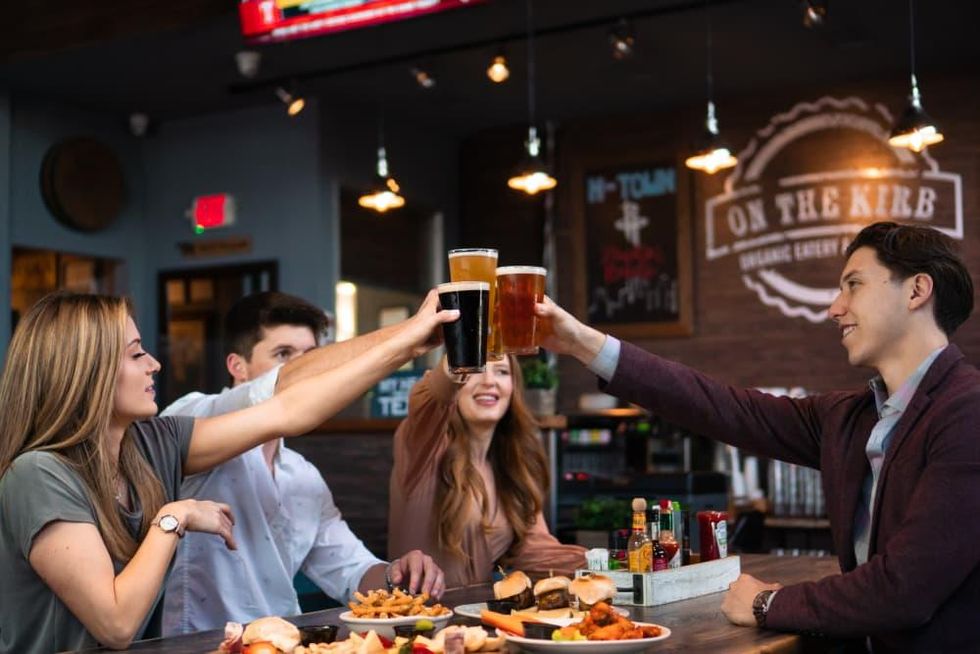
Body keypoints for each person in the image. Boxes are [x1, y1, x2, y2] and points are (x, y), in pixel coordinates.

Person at [534, 221, 980, 652]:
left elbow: (904, 590)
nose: (835, 307)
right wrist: (580, 343)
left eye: (854, 285)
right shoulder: (852, 417)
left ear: (917, 291)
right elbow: (723, 408)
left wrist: (768, 603)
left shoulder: (967, 412)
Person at [0, 291, 455, 653]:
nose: (154, 364)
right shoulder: (39, 473)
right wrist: (174, 517)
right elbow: (116, 624)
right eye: (137, 354)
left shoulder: (150, 445)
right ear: (88, 371)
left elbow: (290, 411)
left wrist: (412, 344)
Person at [162, 291, 445, 635]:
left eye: (313, 357)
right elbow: (286, 387)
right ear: (238, 366)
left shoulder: (302, 474)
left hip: (286, 642)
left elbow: (352, 571)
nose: (309, 371)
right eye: (283, 354)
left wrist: (397, 573)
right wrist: (409, 336)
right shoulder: (192, 416)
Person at [388, 354, 586, 587]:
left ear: (513, 387)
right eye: (476, 369)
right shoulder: (424, 445)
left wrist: (614, 562)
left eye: (502, 371)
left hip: (472, 621)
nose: (489, 381)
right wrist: (464, 338)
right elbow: (433, 397)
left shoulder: (513, 464)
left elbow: (537, 554)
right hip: (414, 619)